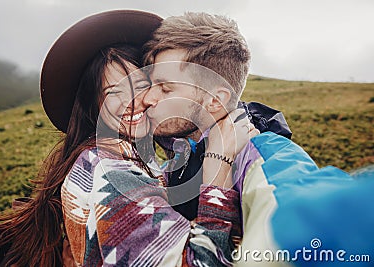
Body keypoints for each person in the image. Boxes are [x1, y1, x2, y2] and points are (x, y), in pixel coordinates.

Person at [0, 10, 254, 267]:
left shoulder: (122, 157)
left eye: (143, 85)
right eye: (115, 92)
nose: (138, 101)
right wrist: (219, 174)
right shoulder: (110, 171)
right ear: (95, 105)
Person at [142, 12, 374, 266]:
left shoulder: (264, 155)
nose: (148, 98)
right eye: (150, 85)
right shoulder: (174, 162)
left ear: (215, 101)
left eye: (165, 88)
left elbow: (304, 215)